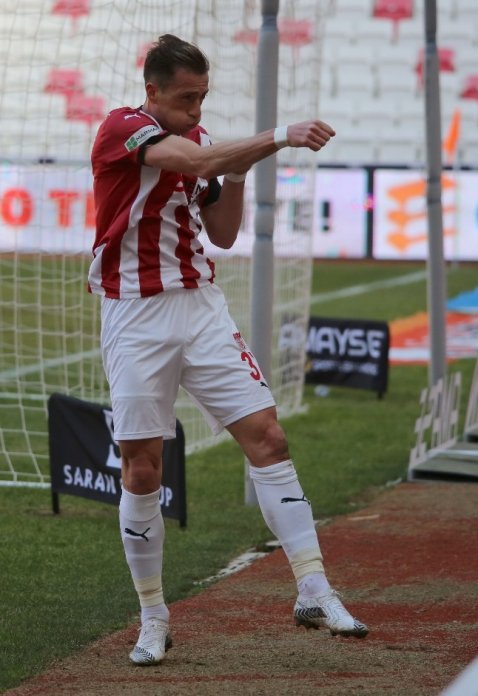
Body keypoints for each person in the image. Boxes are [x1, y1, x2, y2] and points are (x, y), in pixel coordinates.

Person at [89, 33, 368, 666]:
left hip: (201, 310)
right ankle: (153, 616)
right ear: (152, 91)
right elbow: (186, 162)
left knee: (269, 437)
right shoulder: (122, 128)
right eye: (186, 98)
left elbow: (220, 233)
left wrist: (237, 169)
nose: (195, 109)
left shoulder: (201, 143)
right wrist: (277, 136)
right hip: (135, 316)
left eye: (202, 98)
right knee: (141, 469)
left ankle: (315, 588)